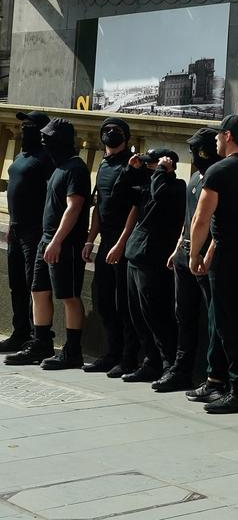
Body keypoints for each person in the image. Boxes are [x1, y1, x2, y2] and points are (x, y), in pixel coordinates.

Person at [6, 119, 92, 369]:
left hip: (64, 243)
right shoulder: (58, 166)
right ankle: (40, 342)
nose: (44, 142)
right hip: (46, 240)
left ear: (62, 141)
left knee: (69, 296)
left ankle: (72, 351)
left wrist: (56, 241)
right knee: (37, 290)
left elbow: (74, 208)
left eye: (49, 139)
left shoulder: (76, 168)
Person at [188, 115, 238, 414]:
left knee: (230, 324)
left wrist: (194, 254)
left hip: (227, 258)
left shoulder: (218, 171)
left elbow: (202, 218)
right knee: (233, 320)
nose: (215, 141)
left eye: (218, 136)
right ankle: (221, 382)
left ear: (228, 136)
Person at [120, 148, 187, 390]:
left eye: (152, 164)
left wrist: (161, 171)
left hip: (154, 259)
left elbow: (160, 196)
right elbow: (119, 195)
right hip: (135, 255)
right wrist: (130, 170)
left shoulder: (176, 187)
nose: (147, 167)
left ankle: (170, 365)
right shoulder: (146, 184)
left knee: (157, 315)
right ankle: (151, 361)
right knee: (138, 314)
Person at [81, 117, 143, 376]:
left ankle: (128, 358)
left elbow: (134, 208)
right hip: (105, 241)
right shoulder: (104, 165)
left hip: (122, 244)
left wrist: (120, 243)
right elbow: (98, 205)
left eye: (115, 131)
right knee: (103, 300)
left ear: (126, 138)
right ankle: (112, 352)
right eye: (106, 130)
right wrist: (90, 238)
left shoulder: (132, 166)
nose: (110, 135)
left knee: (123, 304)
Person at [172, 128, 227, 396]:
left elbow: (215, 224)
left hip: (206, 260)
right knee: (184, 315)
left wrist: (205, 254)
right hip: (186, 255)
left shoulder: (218, 178)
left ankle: (213, 376)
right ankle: (181, 368)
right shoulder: (194, 177)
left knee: (211, 320)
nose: (193, 154)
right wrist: (178, 250)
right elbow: (189, 219)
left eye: (197, 149)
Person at [1, 111, 54, 352]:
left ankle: (37, 334)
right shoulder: (22, 154)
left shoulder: (46, 158)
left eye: (30, 125)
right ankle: (19, 331)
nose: (24, 128)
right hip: (15, 229)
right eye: (23, 124)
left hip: (34, 231)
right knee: (16, 284)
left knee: (34, 285)